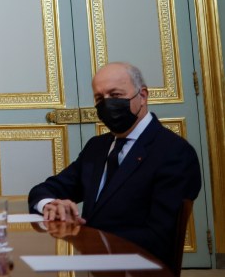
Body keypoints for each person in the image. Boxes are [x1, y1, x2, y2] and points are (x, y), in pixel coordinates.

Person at [28, 62, 201, 270]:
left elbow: (159, 238)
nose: (107, 104)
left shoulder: (174, 152)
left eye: (116, 95)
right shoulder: (97, 147)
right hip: (94, 268)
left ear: (143, 96)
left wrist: (85, 237)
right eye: (100, 99)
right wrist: (49, 204)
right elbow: (45, 189)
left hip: (138, 271)